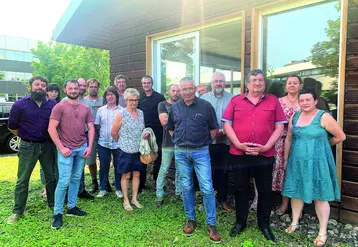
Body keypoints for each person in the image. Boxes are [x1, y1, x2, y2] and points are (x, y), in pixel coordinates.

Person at [222, 69, 286, 242]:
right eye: (254, 80)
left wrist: (266, 146)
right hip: (239, 153)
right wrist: (237, 144)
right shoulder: (236, 100)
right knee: (241, 189)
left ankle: (264, 224)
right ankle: (240, 222)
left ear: (264, 83)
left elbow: (280, 127)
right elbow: (227, 125)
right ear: (247, 83)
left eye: (261, 80)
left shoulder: (273, 101)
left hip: (264, 155)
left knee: (265, 191)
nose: (258, 83)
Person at [282, 89, 345, 247]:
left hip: (318, 162)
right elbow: (289, 139)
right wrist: (285, 158)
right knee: (296, 192)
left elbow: (340, 136)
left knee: (320, 195)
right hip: (297, 161)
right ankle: (295, 222)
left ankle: (322, 232)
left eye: (308, 100)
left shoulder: (323, 116)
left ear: (315, 101)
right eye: (301, 100)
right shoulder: (294, 117)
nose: (304, 103)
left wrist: (322, 147)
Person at [167, 77, 221, 243]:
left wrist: (203, 143)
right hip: (181, 152)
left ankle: (211, 224)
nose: (187, 91)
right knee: (186, 186)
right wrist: (179, 142)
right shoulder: (175, 108)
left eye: (190, 88)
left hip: (201, 152)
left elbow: (214, 129)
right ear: (180, 91)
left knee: (206, 187)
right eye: (184, 89)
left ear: (195, 89)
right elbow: (170, 129)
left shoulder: (205, 106)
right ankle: (191, 219)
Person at [7, 76, 57, 225]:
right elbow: (12, 126)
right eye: (37, 84)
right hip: (27, 146)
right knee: (22, 179)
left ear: (46, 88)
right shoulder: (19, 104)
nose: (40, 87)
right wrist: (26, 137)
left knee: (51, 177)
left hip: (48, 145)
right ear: (31, 86)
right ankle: (17, 211)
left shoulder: (53, 105)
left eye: (43, 85)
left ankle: (53, 204)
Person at [48, 80, 95, 230]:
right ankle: (57, 213)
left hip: (81, 148)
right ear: (65, 89)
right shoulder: (59, 107)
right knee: (63, 181)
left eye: (76, 88)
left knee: (75, 179)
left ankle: (72, 207)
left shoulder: (85, 108)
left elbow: (91, 128)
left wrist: (89, 146)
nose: (74, 90)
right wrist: (61, 147)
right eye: (71, 88)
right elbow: (51, 129)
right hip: (66, 150)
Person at [201, 72, 233, 212]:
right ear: (211, 83)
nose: (218, 83)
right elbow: (201, 120)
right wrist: (213, 132)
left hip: (226, 141)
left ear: (224, 83)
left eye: (221, 81)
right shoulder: (204, 99)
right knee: (207, 171)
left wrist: (224, 131)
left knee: (223, 171)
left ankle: (222, 199)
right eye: (216, 81)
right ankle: (208, 199)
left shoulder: (232, 98)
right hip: (208, 142)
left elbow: (235, 119)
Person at [111, 88, 147, 211]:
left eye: (136, 100)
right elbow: (114, 132)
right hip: (125, 150)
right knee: (126, 175)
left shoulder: (141, 113)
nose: (134, 102)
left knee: (137, 174)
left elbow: (141, 129)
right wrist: (122, 142)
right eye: (131, 100)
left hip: (138, 149)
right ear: (126, 100)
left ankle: (134, 198)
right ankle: (126, 200)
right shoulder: (121, 114)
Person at [272, 75, 301, 215]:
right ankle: (284, 204)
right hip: (281, 141)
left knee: (297, 171)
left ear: (299, 86)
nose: (292, 85)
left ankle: (298, 207)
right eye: (289, 83)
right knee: (283, 171)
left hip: (299, 141)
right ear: (286, 86)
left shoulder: (305, 101)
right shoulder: (279, 102)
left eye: (295, 83)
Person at [62, 78, 94, 200]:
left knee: (79, 166)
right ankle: (66, 193)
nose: (80, 88)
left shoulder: (86, 102)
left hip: (83, 136)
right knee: (67, 166)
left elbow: (90, 123)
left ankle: (81, 189)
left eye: (83, 86)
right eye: (78, 85)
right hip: (67, 139)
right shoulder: (64, 101)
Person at [155, 84, 181, 207]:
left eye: (177, 91)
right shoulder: (162, 104)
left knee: (180, 170)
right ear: (169, 92)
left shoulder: (183, 105)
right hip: (168, 142)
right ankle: (159, 195)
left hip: (181, 142)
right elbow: (164, 121)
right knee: (164, 168)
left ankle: (179, 193)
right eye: (173, 90)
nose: (175, 93)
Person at [138, 75, 165, 192]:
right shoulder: (139, 97)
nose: (146, 85)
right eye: (144, 83)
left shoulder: (159, 97)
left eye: (148, 83)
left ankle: (157, 182)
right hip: (143, 130)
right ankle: (141, 184)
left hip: (158, 130)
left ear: (152, 84)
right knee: (143, 154)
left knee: (158, 155)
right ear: (142, 84)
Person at [95, 86, 123, 198]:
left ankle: (118, 188)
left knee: (118, 166)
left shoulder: (122, 111)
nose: (110, 96)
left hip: (118, 143)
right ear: (105, 97)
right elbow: (97, 125)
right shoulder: (100, 110)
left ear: (116, 96)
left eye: (112, 94)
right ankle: (103, 188)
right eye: (107, 94)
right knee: (103, 166)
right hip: (103, 143)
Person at [82, 78, 104, 194]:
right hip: (88, 134)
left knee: (105, 159)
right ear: (87, 87)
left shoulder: (103, 100)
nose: (93, 89)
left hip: (103, 133)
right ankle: (94, 180)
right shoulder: (83, 101)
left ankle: (105, 182)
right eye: (91, 87)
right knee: (91, 160)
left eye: (95, 87)